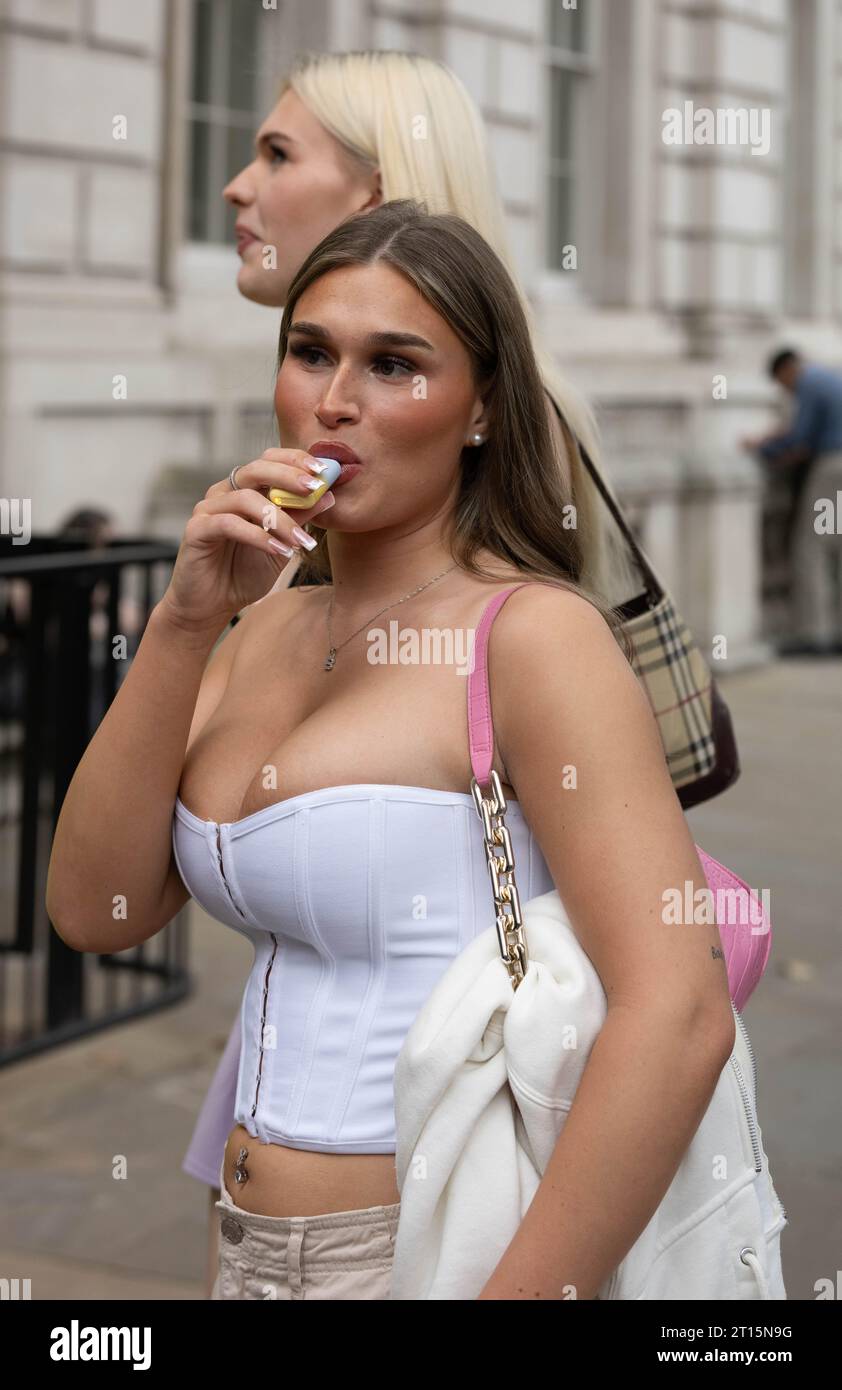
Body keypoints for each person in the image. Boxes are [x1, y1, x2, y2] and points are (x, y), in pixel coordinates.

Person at [47, 198, 736, 1300]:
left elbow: (680, 1010)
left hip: (431, 1251)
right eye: (309, 351)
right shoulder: (257, 628)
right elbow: (95, 913)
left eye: (394, 364)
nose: (333, 402)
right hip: (239, 1249)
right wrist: (182, 623)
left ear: (480, 409)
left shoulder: (534, 637)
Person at [183, 46, 641, 1293]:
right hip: (265, 1186)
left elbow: (632, 946)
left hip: (441, 1193)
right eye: (312, 354)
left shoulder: (512, 566)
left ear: (380, 191)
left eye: (277, 156)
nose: (237, 186)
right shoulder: (287, 542)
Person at [743, 347, 842, 655]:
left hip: (831, 468)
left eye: (781, 383)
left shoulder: (809, 382)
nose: (785, 390)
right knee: (835, 546)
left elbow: (800, 438)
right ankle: (835, 629)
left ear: (786, 370)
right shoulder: (828, 376)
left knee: (811, 548)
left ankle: (814, 634)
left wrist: (762, 447)